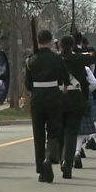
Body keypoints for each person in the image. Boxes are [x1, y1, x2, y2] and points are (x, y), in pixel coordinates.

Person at [24, 30, 70, 182]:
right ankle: (49, 158)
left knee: (38, 133)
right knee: (53, 131)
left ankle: (41, 168)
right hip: (53, 96)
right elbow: (65, 77)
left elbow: (28, 85)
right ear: (50, 41)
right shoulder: (57, 59)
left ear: (38, 41)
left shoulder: (31, 60)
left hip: (37, 97)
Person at [58, 36, 89, 178]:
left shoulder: (55, 59)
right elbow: (94, 57)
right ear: (73, 46)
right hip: (75, 98)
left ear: (60, 45)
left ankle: (60, 158)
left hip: (58, 98)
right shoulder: (79, 58)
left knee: (59, 132)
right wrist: (81, 50)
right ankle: (67, 162)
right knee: (71, 133)